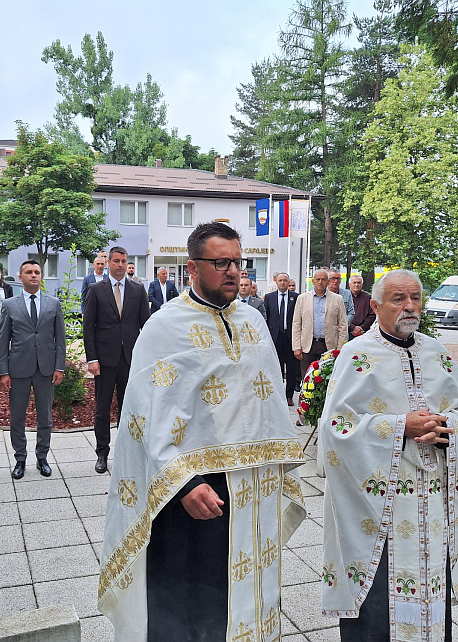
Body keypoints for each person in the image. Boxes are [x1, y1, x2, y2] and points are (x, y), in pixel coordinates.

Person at [98, 222, 307, 642]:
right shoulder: (165, 327)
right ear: (193, 268)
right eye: (220, 262)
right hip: (192, 491)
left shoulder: (253, 322)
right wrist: (184, 484)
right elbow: (145, 417)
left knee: (247, 592)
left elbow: (265, 404)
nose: (233, 271)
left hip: (253, 486)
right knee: (190, 602)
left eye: (237, 262)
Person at [319, 269, 458, 641]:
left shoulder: (436, 352)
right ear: (375, 306)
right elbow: (336, 430)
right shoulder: (357, 355)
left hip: (431, 497)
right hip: (380, 502)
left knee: (430, 592)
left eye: (416, 298)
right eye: (398, 299)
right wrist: (399, 427)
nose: (410, 306)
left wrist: (445, 429)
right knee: (379, 603)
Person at [83, 246, 150, 473]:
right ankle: (102, 453)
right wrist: (91, 358)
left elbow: (146, 326)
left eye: (124, 261)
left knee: (127, 408)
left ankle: (125, 453)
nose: (121, 265)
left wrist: (147, 356)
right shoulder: (96, 289)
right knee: (102, 409)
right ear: (108, 262)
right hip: (104, 360)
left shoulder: (138, 290)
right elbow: (88, 327)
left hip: (130, 360)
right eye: (117, 261)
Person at [0, 260, 66, 478]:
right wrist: (4, 371)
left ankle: (42, 457)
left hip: (46, 369)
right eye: (29, 272)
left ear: (41, 277)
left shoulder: (53, 304)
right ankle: (20, 459)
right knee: (17, 417)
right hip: (18, 368)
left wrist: (59, 367)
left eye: (37, 272)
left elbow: (60, 339)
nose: (34, 275)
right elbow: (2, 340)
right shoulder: (10, 304)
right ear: (21, 277)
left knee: (45, 417)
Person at [292, 269, 348, 377]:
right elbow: (296, 324)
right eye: (317, 279)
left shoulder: (337, 299)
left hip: (329, 345)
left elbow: (342, 325)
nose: (320, 282)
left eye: (323, 279)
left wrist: (340, 348)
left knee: (327, 378)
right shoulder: (302, 298)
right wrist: (296, 347)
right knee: (307, 378)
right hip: (308, 345)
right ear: (313, 281)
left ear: (328, 282)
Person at [264, 272, 300, 405]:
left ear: (288, 282)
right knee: (276, 368)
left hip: (290, 337)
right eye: (280, 280)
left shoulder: (296, 297)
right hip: (276, 337)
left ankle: (289, 396)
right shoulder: (269, 298)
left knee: (291, 368)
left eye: (285, 280)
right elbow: (266, 318)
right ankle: (278, 394)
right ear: (276, 282)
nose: (283, 283)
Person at [348, 274, 376, 339]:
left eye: (359, 283)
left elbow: (372, 315)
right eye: (354, 283)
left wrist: (361, 328)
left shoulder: (368, 298)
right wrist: (353, 327)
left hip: (364, 332)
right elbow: (341, 315)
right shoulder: (344, 297)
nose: (356, 285)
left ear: (362, 285)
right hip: (347, 331)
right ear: (349, 284)